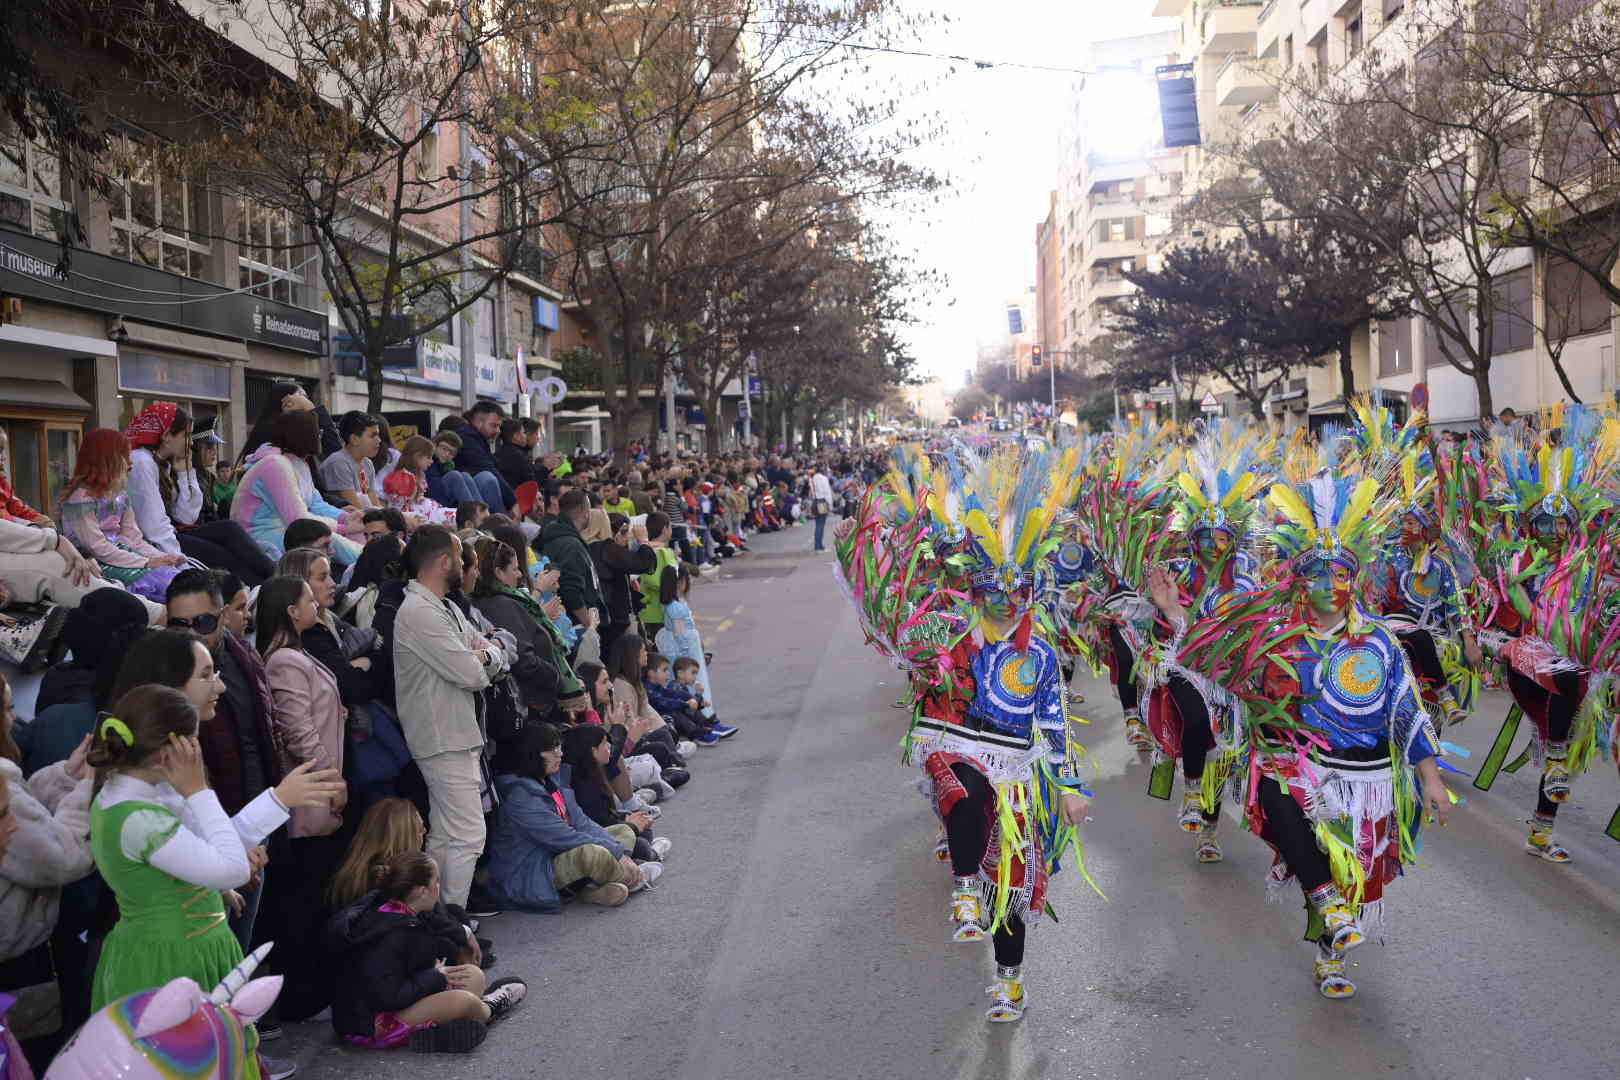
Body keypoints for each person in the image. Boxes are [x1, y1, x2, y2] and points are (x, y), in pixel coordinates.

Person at [1169, 454, 1453, 1000]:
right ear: (1300, 580)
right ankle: (1322, 899)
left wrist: (1431, 778)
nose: (1330, 584)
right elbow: (1214, 669)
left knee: (1357, 876)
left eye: (1341, 572)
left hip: (1368, 780)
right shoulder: (1278, 637)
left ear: (1354, 579)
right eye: (1318, 573)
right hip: (1305, 768)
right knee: (1276, 797)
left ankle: (1330, 955)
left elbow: (1406, 710)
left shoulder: (1380, 642)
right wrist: (1177, 617)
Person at [834, 442, 1093, 1023]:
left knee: (1013, 883)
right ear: (976, 592)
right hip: (957, 752)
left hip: (1019, 771)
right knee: (964, 786)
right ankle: (963, 887)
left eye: (1017, 594)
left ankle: (1009, 984)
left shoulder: (1042, 656)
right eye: (994, 594)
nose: (1006, 605)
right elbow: (890, 624)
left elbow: (1053, 724)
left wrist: (1072, 787)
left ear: (1030, 595)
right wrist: (861, 560)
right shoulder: (947, 636)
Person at [86, 682, 342, 1028]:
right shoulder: (139, 818)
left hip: (180, 949)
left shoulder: (143, 796)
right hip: (170, 963)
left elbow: (213, 848)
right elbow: (232, 868)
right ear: (171, 750)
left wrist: (278, 799)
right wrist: (198, 790)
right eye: (194, 741)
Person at [164, 570, 281, 947]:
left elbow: (262, 733)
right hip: (212, 838)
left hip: (253, 820)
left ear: (222, 615)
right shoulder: (164, 679)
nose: (191, 632)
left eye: (203, 622)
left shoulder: (241, 655)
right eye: (179, 623)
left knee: (239, 949)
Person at [393, 526, 505, 907]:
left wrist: (486, 656)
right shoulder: (418, 613)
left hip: (457, 734)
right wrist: (485, 658)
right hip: (441, 738)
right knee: (469, 834)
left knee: (444, 835)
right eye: (459, 557)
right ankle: (452, 919)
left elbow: (489, 650)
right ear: (444, 562)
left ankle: (435, 917)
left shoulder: (445, 607)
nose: (463, 564)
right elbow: (472, 673)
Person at [326, 850, 526, 1053]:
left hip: (395, 1000)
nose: (439, 887)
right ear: (421, 891)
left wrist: (465, 934)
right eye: (436, 882)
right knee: (463, 1001)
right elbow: (387, 997)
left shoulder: (398, 906)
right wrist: (436, 976)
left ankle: (438, 1031)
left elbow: (434, 921)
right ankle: (490, 1007)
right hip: (370, 1025)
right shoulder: (389, 936)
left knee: (473, 976)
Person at [0, 670, 94, 1074]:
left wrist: (66, 774)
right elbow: (61, 856)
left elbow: (23, 810)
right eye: (6, 708)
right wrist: (87, 789)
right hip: (16, 962)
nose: (15, 717)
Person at [486, 723, 659, 912]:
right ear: (532, 754)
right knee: (593, 853)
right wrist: (619, 854)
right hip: (531, 872)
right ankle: (634, 876)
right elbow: (564, 837)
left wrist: (618, 851)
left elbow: (582, 823)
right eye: (551, 750)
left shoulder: (550, 779)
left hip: (554, 855)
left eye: (559, 747)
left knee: (623, 830)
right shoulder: (519, 796)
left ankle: (592, 889)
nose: (559, 754)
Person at [58, 428, 187, 602]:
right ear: (107, 459)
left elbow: (134, 538)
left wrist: (162, 557)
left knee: (176, 579)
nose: (130, 462)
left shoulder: (120, 494)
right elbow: (97, 547)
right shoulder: (81, 498)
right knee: (165, 586)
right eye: (124, 456)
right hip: (97, 562)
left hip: (123, 554)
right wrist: (146, 563)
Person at [234, 409, 364, 563]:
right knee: (327, 539)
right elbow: (298, 519)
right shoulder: (275, 464)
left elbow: (316, 504)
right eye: (318, 431)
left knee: (354, 530)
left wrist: (346, 518)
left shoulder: (299, 463)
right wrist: (344, 528)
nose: (320, 435)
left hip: (285, 530)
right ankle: (372, 562)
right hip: (261, 537)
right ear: (304, 434)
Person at [558, 724, 667, 863]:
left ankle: (638, 860)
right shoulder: (582, 786)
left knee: (644, 832)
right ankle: (651, 856)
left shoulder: (593, 770)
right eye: (604, 743)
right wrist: (629, 825)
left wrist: (625, 818)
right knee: (641, 846)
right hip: (594, 839)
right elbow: (598, 824)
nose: (610, 746)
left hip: (603, 831)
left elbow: (606, 816)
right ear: (593, 750)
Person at [653, 564, 736, 737]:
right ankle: (707, 722)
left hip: (684, 651)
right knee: (696, 686)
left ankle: (705, 722)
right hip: (687, 653)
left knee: (688, 688)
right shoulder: (676, 607)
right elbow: (681, 635)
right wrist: (689, 659)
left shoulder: (671, 604)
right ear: (681, 582)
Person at [589, 511, 656, 659]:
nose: (627, 536)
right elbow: (644, 564)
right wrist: (644, 541)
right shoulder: (604, 548)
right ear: (605, 527)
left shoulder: (591, 547)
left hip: (606, 619)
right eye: (624, 531)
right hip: (613, 621)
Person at [539, 489, 604, 628]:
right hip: (575, 627)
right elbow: (571, 591)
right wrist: (589, 625)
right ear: (584, 512)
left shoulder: (560, 537)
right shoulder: (571, 545)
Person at [447, 403, 517, 516]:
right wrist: (513, 502)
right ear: (479, 423)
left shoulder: (477, 439)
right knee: (487, 478)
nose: (498, 431)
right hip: (459, 506)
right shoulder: (468, 438)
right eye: (494, 425)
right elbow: (487, 468)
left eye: (499, 426)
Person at [320, 412, 384, 510]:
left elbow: (374, 503)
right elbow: (356, 508)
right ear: (354, 439)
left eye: (378, 435)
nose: (379, 440)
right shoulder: (338, 462)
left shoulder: (367, 463)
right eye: (372, 436)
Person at [635, 511, 680, 641]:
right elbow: (652, 579)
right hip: (657, 613)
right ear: (665, 529)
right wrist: (672, 589)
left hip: (662, 612)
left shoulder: (651, 550)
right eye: (670, 526)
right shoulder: (658, 552)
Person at [808, 461, 834, 551]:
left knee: (817, 524)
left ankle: (817, 545)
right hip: (822, 501)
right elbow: (827, 493)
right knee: (821, 524)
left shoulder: (811, 479)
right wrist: (830, 505)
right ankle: (819, 546)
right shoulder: (823, 478)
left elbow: (811, 492)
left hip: (815, 501)